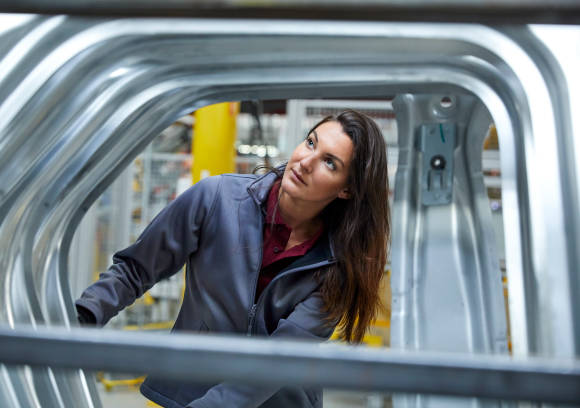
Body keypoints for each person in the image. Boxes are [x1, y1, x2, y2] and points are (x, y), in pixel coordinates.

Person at [75, 109, 390, 408]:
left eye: (329, 163)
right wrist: (80, 319)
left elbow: (278, 360)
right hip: (189, 387)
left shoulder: (338, 265)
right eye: (310, 142)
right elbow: (135, 269)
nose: (306, 161)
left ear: (347, 190)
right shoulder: (216, 198)